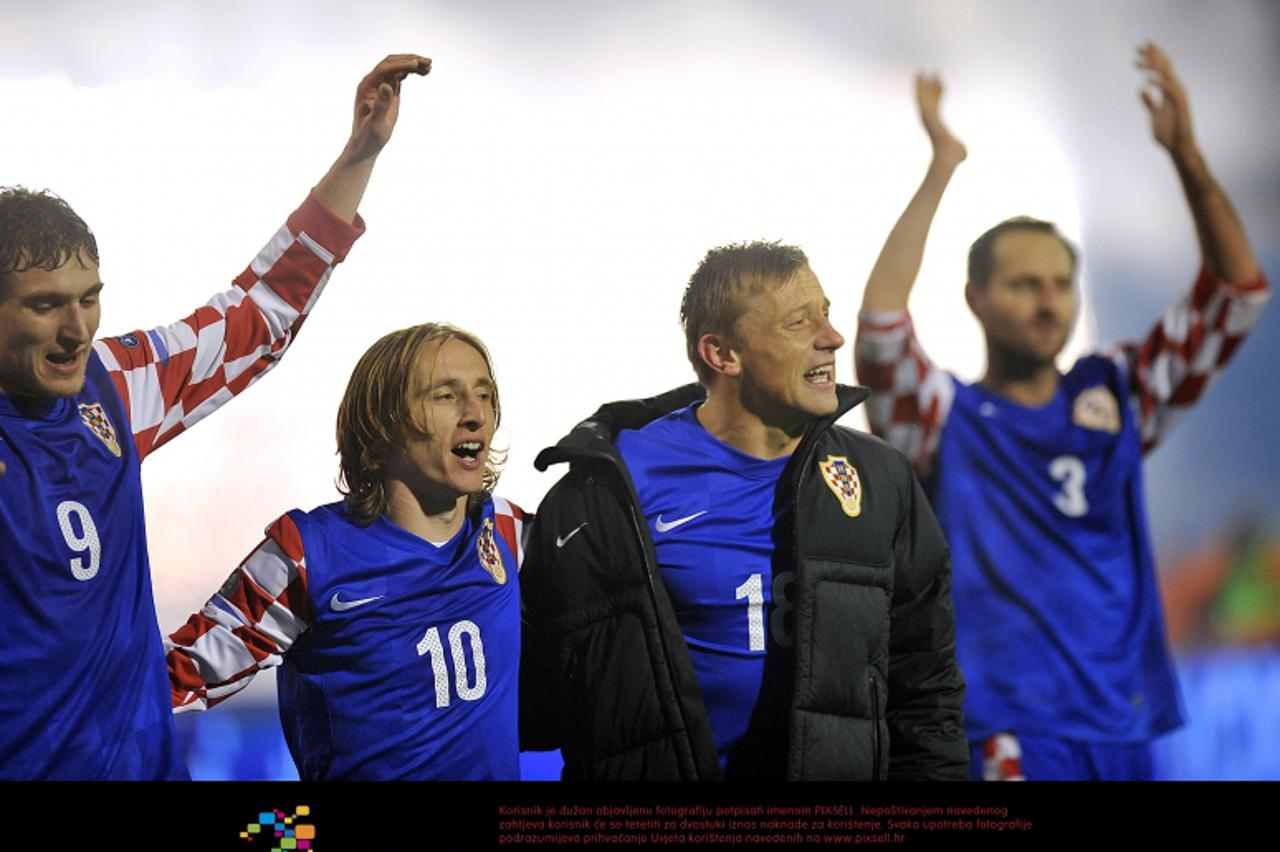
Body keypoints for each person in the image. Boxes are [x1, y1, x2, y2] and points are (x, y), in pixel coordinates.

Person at [0, 54, 430, 780]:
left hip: (154, 770)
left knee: (292, 833)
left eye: (90, 297)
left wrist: (359, 155)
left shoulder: (112, 384)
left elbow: (251, 321)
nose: (78, 329)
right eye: (46, 306)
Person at [854, 45, 1270, 780]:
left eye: (1059, 284)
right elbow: (883, 329)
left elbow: (1236, 295)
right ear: (975, 299)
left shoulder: (1116, 391)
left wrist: (1186, 157)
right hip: (1003, 726)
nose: (1047, 300)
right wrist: (941, 167)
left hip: (1123, 719)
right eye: (1022, 284)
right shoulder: (943, 416)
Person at [520, 243, 968, 780]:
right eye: (799, 322)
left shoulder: (881, 480)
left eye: (825, 312)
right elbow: (544, 699)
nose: (832, 337)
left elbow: (925, 685)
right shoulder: (606, 492)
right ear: (722, 355)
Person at [166, 324, 526, 781]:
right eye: (445, 396)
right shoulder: (308, 555)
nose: (476, 414)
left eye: (485, 395)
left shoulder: (508, 531)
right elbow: (173, 679)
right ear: (382, 425)